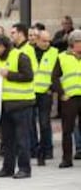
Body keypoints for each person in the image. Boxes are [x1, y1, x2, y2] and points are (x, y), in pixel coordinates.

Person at [0, 35, 34, 179]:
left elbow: (28, 76)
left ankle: (24, 169)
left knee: (22, 140)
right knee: (7, 140)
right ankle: (7, 168)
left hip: (21, 104)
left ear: (2, 46)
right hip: (4, 105)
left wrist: (9, 74)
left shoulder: (20, 56)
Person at [53, 29, 81, 168]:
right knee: (67, 130)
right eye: (80, 41)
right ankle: (66, 159)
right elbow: (54, 77)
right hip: (69, 99)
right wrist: (61, 93)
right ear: (73, 43)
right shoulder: (62, 56)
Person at [10, 23, 39, 158]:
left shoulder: (28, 49)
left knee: (28, 130)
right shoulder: (15, 49)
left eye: (13, 32)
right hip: (15, 97)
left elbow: (32, 71)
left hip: (26, 95)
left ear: (21, 33)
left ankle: (33, 152)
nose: (11, 35)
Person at [33, 31, 58, 165]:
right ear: (37, 40)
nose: (47, 43)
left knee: (44, 123)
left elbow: (58, 73)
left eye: (48, 41)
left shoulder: (54, 52)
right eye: (44, 41)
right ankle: (34, 150)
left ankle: (46, 150)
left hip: (45, 93)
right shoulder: (30, 52)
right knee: (30, 124)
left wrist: (52, 89)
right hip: (30, 92)